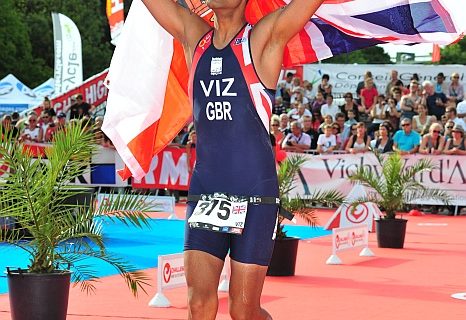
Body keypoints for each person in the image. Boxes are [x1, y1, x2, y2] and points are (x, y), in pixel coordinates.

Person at [142, 1, 325, 319]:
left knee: (243, 310)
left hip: (255, 193)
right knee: (199, 304)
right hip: (207, 191)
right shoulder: (194, 37)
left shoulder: (263, 36)